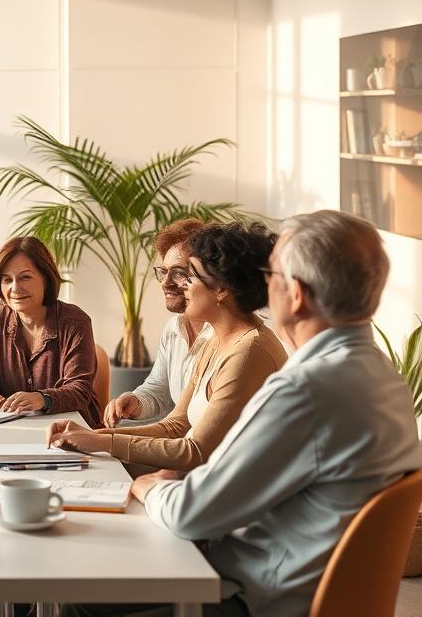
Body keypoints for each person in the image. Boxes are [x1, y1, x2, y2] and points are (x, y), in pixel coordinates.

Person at [70, 210, 422, 617]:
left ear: (297, 294)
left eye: (271, 276)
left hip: (255, 598)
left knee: (82, 596)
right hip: (315, 593)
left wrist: (149, 488)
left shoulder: (302, 391)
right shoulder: (385, 379)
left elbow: (190, 513)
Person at [48, 222, 286, 472]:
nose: (181, 285)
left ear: (221, 288)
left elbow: (196, 451)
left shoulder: (248, 352)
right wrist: (95, 435)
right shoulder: (218, 339)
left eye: (189, 276)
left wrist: (99, 441)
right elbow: (175, 426)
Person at [0, 236, 101, 426]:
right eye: (7, 280)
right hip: (15, 429)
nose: (15, 288)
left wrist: (43, 398)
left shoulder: (75, 322)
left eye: (25, 277)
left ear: (46, 279)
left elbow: (80, 391)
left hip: (74, 431)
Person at [103, 219, 213, 426]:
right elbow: (159, 388)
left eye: (179, 273)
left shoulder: (224, 337)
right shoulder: (173, 329)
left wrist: (105, 439)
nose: (165, 282)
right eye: (163, 271)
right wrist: (135, 401)